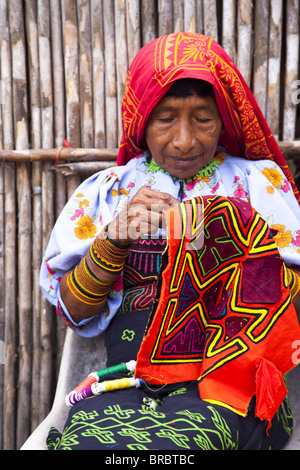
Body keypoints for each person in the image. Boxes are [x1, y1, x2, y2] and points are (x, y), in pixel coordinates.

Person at [40, 32, 300, 450]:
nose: (184, 140)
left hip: (229, 386)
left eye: (203, 118)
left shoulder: (258, 184)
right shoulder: (106, 192)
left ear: (225, 120)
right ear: (141, 120)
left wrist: (241, 243)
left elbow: (292, 318)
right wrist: (113, 241)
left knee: (191, 444)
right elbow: (72, 311)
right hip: (123, 382)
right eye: (165, 118)